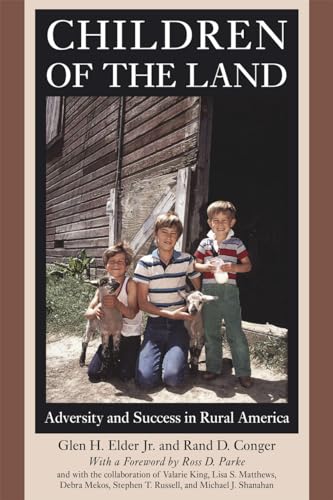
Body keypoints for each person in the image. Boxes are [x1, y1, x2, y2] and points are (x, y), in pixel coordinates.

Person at [134, 212, 201, 388]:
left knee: (172, 379)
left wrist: (191, 306)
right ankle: (165, 355)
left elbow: (198, 288)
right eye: (164, 232)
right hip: (155, 324)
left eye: (173, 233)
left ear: (178, 237)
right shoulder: (144, 263)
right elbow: (142, 303)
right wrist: (168, 314)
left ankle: (174, 357)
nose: (168, 237)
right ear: (156, 234)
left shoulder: (186, 259)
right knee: (145, 381)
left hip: (179, 325)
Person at [194, 200, 253, 388]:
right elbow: (194, 264)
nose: (220, 224)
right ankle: (213, 367)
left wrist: (234, 266)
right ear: (210, 222)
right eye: (215, 220)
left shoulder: (237, 243)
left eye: (224, 220)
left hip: (229, 292)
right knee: (211, 332)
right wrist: (206, 266)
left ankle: (243, 372)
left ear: (232, 222)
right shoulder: (205, 243)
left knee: (235, 332)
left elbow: (248, 266)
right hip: (209, 291)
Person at [85, 242, 142, 382]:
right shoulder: (102, 286)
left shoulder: (131, 284)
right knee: (93, 373)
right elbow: (87, 312)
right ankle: (109, 357)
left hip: (129, 335)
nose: (116, 264)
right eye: (112, 261)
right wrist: (95, 311)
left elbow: (132, 313)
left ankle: (131, 357)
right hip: (110, 335)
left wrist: (116, 303)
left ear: (127, 265)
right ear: (106, 266)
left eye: (120, 261)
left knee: (125, 374)